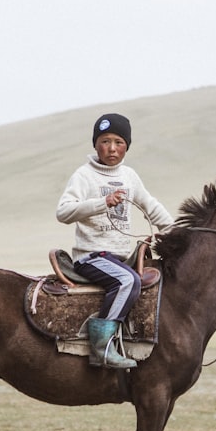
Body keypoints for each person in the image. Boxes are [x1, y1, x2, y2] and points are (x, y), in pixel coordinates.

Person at [56, 113, 174, 370]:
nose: (111, 148)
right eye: (105, 141)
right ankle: (102, 348)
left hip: (119, 256)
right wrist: (102, 203)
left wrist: (175, 233)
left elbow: (150, 206)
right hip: (91, 256)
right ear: (95, 144)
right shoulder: (84, 175)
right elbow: (63, 212)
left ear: (127, 146)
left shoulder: (129, 176)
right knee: (126, 281)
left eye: (119, 142)